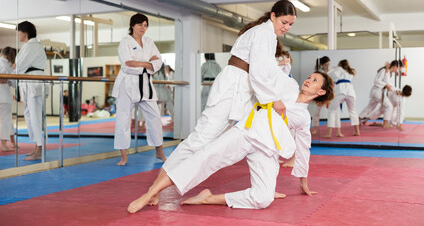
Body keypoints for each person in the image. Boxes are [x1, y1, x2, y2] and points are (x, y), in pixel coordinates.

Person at [127, 72, 334, 213]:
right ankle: (150, 194)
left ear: (321, 92)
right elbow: (262, 75)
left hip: (267, 151)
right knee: (204, 158)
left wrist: (303, 183)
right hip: (245, 133)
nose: (309, 80)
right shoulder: (287, 88)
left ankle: (207, 198)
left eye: (315, 81)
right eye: (309, 77)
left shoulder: (303, 117)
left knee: (263, 199)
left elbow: (303, 148)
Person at [163, 0, 297, 175]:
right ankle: (160, 182)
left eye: (291, 24)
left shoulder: (266, 34)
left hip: (241, 87)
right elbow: (259, 72)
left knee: (248, 135)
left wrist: (279, 67)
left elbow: (263, 67)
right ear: (273, 16)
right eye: (284, 22)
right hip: (233, 86)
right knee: (202, 137)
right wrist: (274, 99)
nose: (287, 27)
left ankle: (265, 186)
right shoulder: (264, 33)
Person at [112, 13, 166, 166]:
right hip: (126, 85)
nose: (143, 28)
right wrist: (147, 64)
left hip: (145, 85)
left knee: (155, 117)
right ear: (132, 26)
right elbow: (128, 65)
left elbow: (158, 62)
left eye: (145, 25)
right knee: (123, 119)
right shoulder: (125, 42)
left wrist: (141, 64)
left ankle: (159, 150)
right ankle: (123, 156)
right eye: (140, 24)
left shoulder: (149, 42)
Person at [13, 21, 48, 160]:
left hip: (34, 83)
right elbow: (19, 66)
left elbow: (20, 66)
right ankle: (36, 146)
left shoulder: (33, 45)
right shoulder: (29, 46)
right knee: (29, 115)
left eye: (19, 32)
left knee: (35, 115)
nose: (18, 35)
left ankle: (39, 148)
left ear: (25, 32)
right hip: (29, 82)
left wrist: (16, 67)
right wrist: (16, 67)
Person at [324, 59, 360, 137]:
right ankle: (357, 131)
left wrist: (329, 68)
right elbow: (354, 73)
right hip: (350, 92)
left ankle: (329, 133)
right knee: (352, 111)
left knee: (332, 110)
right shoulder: (350, 71)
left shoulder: (337, 69)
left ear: (340, 64)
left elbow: (327, 74)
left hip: (340, 91)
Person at [359, 60, 399, 128]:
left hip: (379, 92)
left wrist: (397, 90)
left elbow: (390, 85)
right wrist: (386, 85)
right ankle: (386, 124)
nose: (397, 70)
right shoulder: (383, 71)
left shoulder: (389, 73)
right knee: (389, 106)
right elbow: (376, 81)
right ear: (395, 66)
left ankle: (358, 119)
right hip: (377, 91)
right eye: (397, 68)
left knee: (370, 107)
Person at [0, 47, 17, 151]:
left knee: (6, 120)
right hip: (4, 97)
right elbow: (14, 83)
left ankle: (12, 142)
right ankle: (4, 145)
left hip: (4, 96)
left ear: (2, 53)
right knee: (5, 120)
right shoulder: (9, 67)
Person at [311, 56, 331, 135]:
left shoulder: (332, 71)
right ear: (322, 65)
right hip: (319, 93)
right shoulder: (317, 72)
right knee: (316, 112)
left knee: (332, 111)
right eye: (326, 65)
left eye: (329, 64)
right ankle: (315, 128)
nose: (328, 66)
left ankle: (331, 129)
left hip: (329, 93)